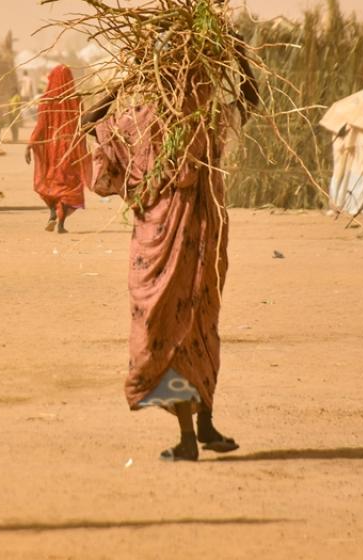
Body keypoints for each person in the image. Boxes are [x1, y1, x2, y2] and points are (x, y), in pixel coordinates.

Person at [82, 52, 257, 462]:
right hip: (200, 242)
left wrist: (125, 82)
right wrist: (238, 56)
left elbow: (89, 122)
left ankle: (193, 435)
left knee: (172, 331)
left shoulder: (139, 122)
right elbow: (250, 99)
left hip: (166, 243)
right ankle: (200, 426)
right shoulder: (206, 120)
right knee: (198, 326)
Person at [25, 65, 90, 233]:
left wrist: (30, 144)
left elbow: (40, 126)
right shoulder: (76, 100)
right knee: (69, 184)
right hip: (70, 148)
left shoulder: (46, 100)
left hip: (51, 149)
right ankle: (61, 223)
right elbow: (82, 125)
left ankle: (53, 212)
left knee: (51, 181)